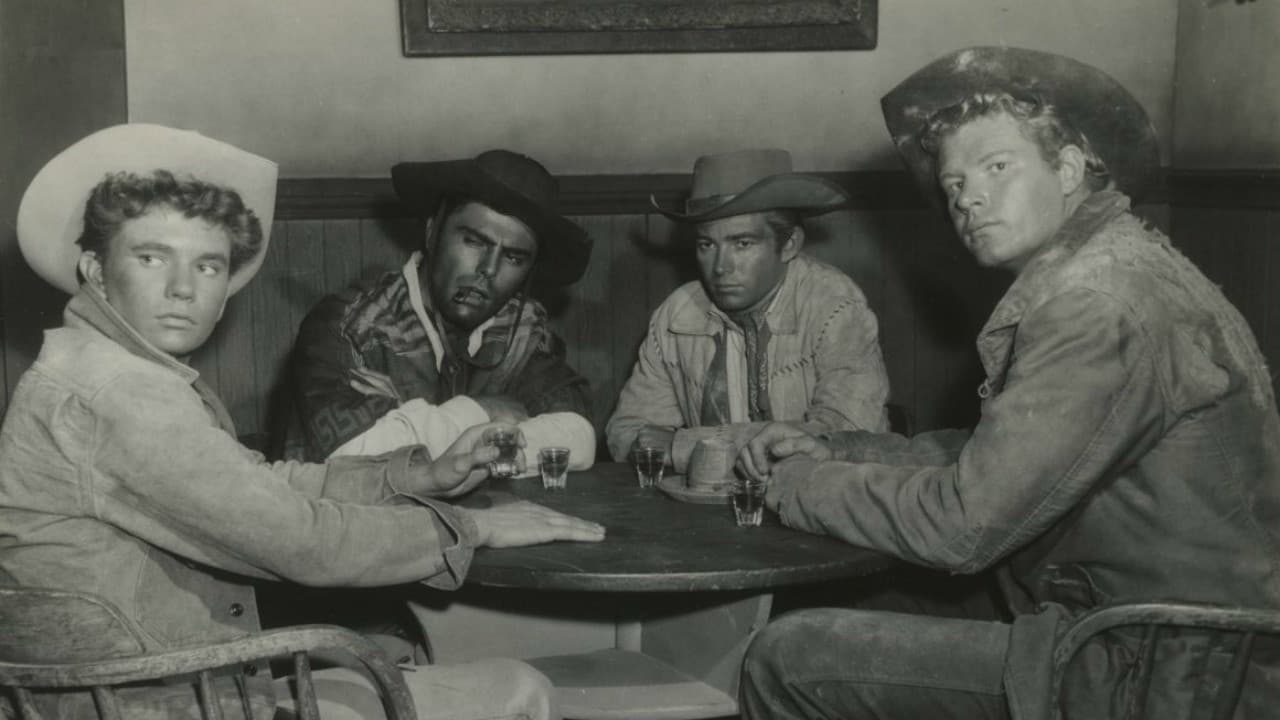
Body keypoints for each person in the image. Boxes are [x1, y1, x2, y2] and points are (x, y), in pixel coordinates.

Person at [737, 47, 1280, 720]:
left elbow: (961, 526)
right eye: (954, 182)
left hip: (1169, 671)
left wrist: (796, 485)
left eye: (997, 167)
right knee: (833, 602)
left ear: (1070, 168)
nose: (967, 197)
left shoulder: (1096, 305)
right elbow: (999, 458)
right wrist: (840, 451)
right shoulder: (1115, 265)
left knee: (787, 656)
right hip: (1157, 638)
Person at [0, 123, 605, 720]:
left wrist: (419, 475)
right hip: (149, 703)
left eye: (208, 266)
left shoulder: (107, 369)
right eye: (152, 257)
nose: (183, 289)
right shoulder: (117, 392)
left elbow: (264, 483)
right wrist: (470, 528)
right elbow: (304, 542)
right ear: (95, 270)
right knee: (520, 688)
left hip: (154, 686)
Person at [282, 149, 597, 470]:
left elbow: (578, 438)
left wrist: (409, 422)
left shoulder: (524, 329)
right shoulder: (350, 325)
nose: (489, 270)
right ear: (432, 231)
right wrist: (482, 411)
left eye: (514, 257)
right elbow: (349, 455)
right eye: (474, 241)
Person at [605, 148, 890, 472]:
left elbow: (841, 436)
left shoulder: (835, 307)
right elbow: (626, 434)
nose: (720, 267)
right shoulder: (676, 314)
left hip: (821, 494)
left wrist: (681, 445)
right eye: (706, 245)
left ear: (789, 244)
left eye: (742, 244)